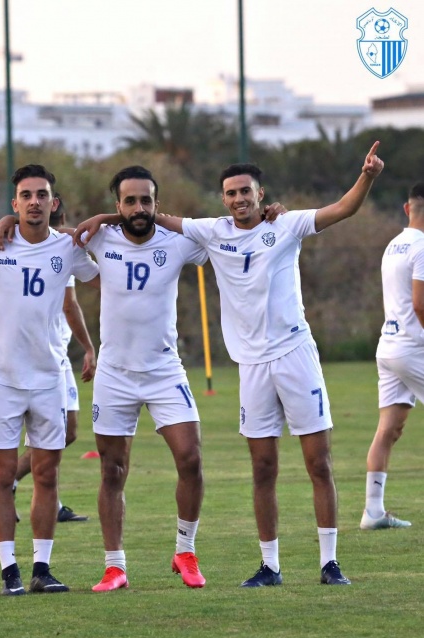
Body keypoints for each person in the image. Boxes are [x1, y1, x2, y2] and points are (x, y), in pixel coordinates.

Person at [146, 142, 384, 586]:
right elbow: (151, 218)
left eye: (246, 191)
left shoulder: (287, 224)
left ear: (261, 193)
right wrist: (105, 217)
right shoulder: (211, 231)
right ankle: (270, 566)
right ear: (223, 198)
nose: (239, 199)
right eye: (231, 193)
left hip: (295, 355)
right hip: (251, 367)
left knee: (319, 463)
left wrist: (367, 175)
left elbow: (342, 209)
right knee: (262, 468)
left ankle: (329, 563)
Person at [68, 165, 214, 592]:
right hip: (114, 374)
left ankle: (185, 550)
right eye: (128, 201)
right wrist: (103, 221)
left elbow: (218, 234)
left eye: (146, 200)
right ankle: (115, 567)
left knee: (190, 458)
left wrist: (270, 212)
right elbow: (47, 230)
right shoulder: (99, 237)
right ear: (118, 205)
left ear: (156, 203)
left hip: (165, 369)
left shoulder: (178, 242)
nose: (138, 208)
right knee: (112, 471)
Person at [0, 164, 99, 596]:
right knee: (1, 477)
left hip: (49, 379)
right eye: (26, 195)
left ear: (53, 203)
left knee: (47, 474)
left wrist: (97, 225)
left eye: (42, 195)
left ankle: (42, 568)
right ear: (14, 203)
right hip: (1, 379)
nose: (34, 201)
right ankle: (9, 572)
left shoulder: (69, 249)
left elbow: (102, 271)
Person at [11, 193, 94, 523]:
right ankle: (6, 481)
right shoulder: (53, 252)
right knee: (52, 436)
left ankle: (36, 493)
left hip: (58, 356)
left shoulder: (64, 250)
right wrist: (89, 346)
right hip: (44, 360)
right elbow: (69, 305)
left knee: (67, 433)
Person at [360, 183, 424, 530]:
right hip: (413, 347)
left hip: (388, 346)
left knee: (390, 428)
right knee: (389, 428)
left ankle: (373, 512)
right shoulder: (423, 247)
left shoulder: (395, 244)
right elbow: (419, 303)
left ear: (406, 208)